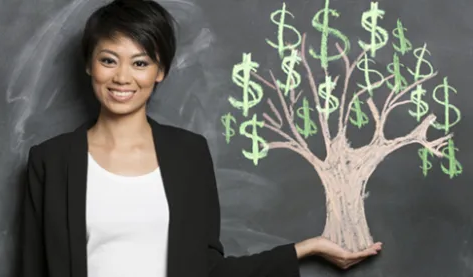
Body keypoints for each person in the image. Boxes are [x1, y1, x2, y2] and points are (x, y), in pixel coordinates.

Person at [20, 0, 382, 276]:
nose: (122, 77)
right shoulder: (51, 161)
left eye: (141, 63)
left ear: (160, 70)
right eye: (109, 60)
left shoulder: (188, 155)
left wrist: (304, 249)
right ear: (89, 65)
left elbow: (207, 269)